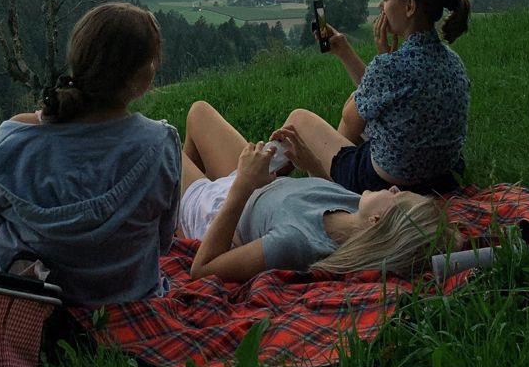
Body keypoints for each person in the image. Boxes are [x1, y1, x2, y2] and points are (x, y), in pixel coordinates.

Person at [0, 3, 181, 307]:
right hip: (130, 298)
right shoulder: (161, 144)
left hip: (30, 306)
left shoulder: (15, 143)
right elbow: (163, 241)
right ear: (142, 78)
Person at [179, 100, 454, 283]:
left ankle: (176, 220)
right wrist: (310, 164)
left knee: (161, 144)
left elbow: (203, 271)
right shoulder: (355, 209)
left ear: (377, 221)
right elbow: (321, 201)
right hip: (251, 185)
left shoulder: (295, 243)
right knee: (199, 112)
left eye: (397, 196)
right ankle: (173, 205)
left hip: (220, 213)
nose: (394, 188)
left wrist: (242, 187)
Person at [272, 0, 471, 195]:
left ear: (409, 7)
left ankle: (270, 181)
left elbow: (352, 118)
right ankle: (323, 182)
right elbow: (382, 97)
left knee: (299, 119)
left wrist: (382, 62)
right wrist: (345, 51)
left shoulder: (391, 67)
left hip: (387, 182)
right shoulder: (453, 61)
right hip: (439, 178)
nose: (380, 5)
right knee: (360, 103)